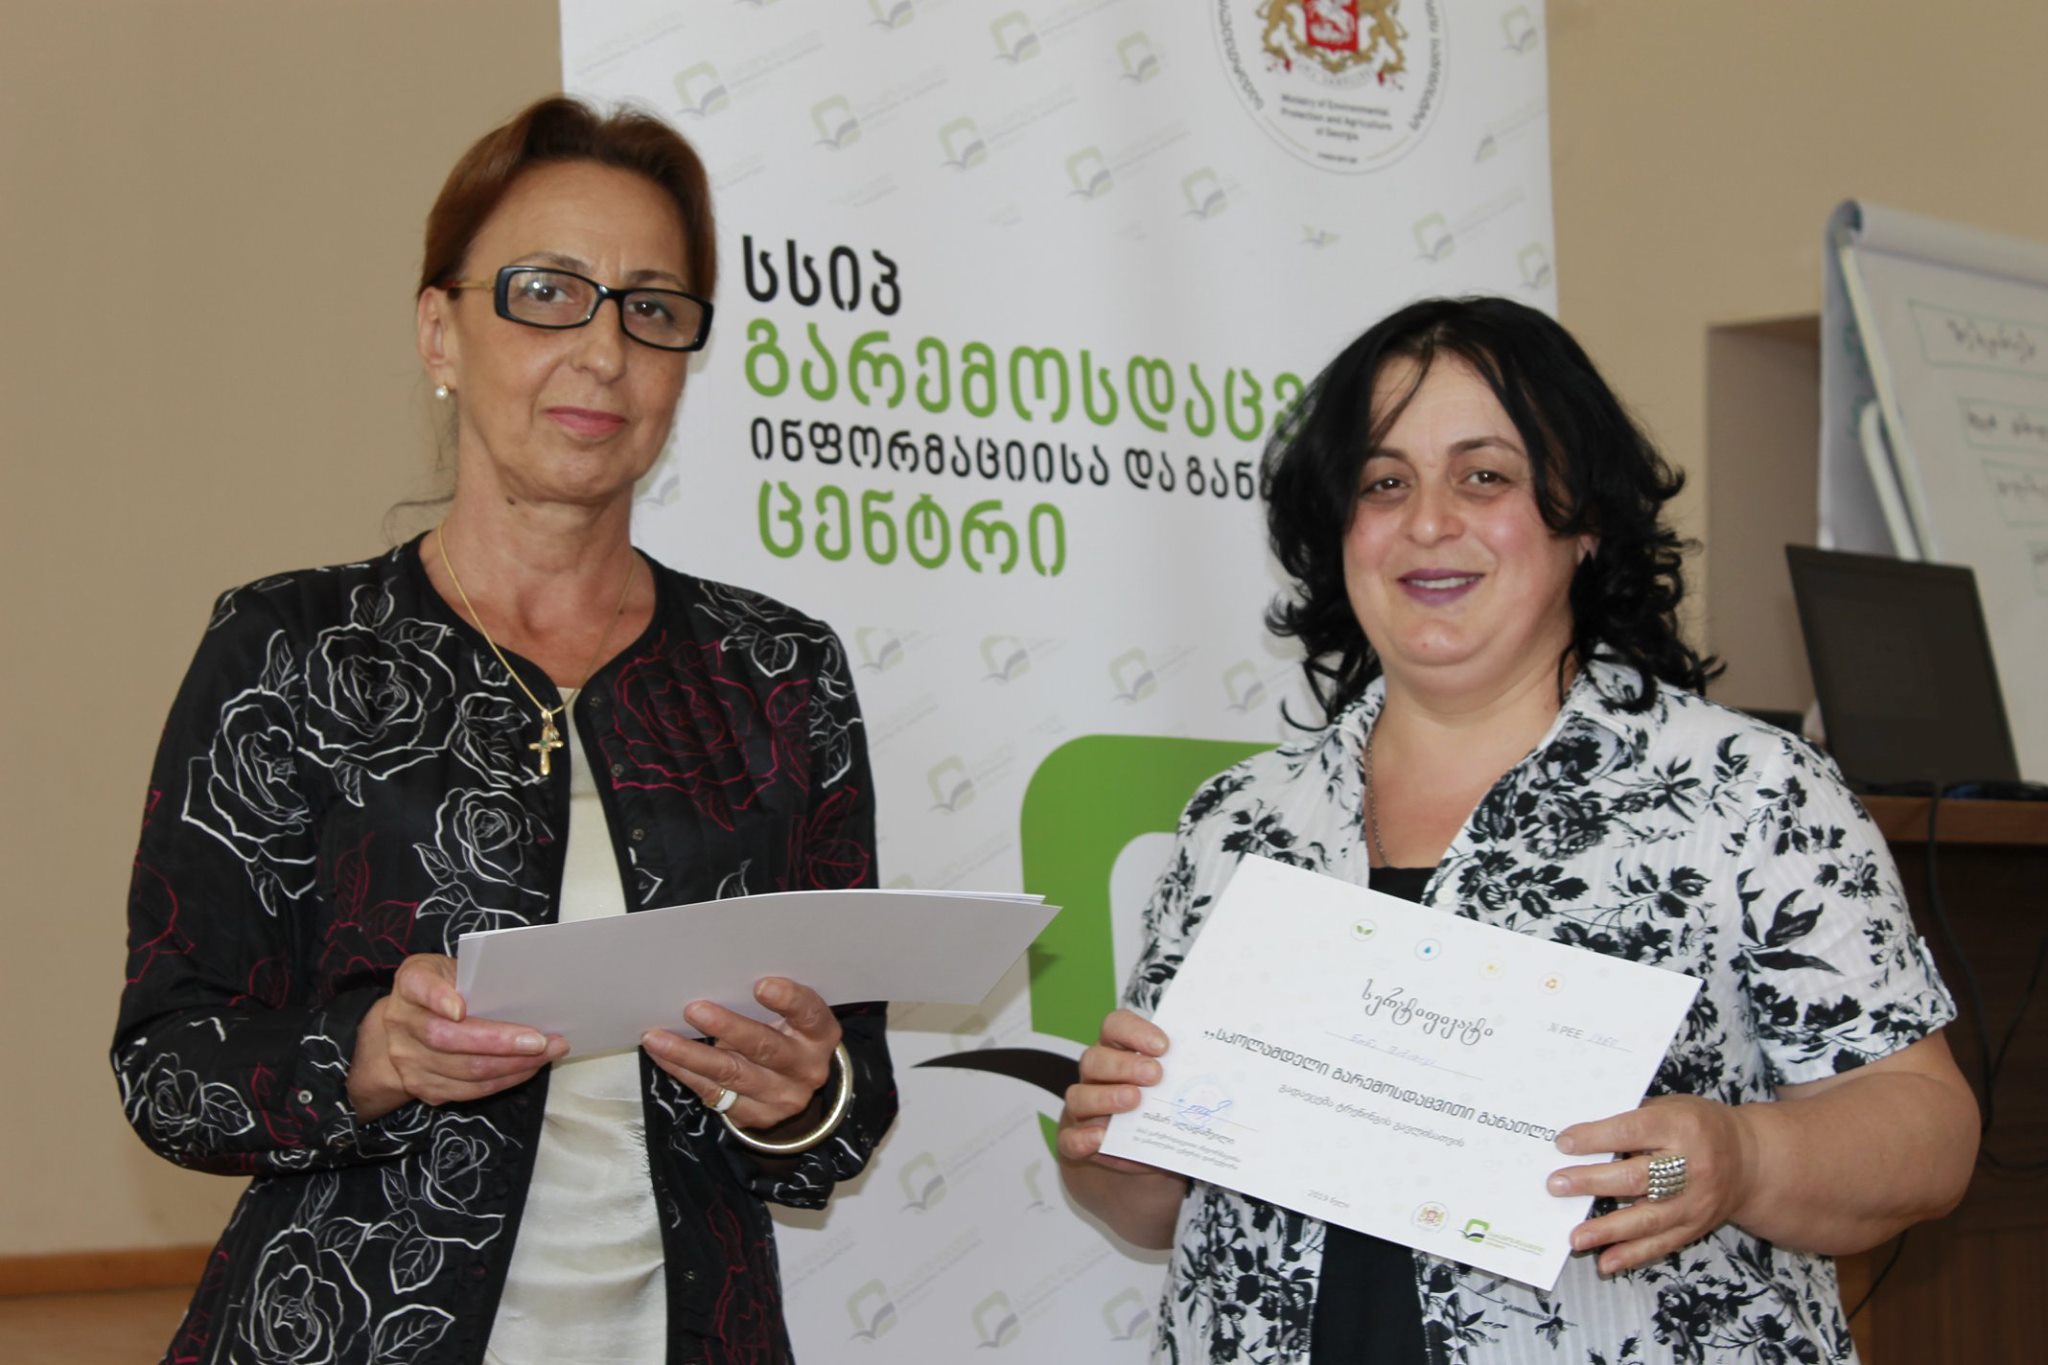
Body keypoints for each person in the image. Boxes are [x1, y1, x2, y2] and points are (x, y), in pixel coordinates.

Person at [112, 96, 894, 1365]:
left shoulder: (776, 672)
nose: (603, 350)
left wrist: (800, 1094)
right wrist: (367, 1056)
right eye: (547, 293)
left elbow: (846, 1102)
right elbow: (168, 1064)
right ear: (440, 328)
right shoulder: (292, 647)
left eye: (651, 308)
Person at [1057, 296, 1979, 1364]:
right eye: (1382, 483)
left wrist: (1742, 1156)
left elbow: (1924, 1129)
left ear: (1582, 520)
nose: (1427, 522)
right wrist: (1115, 1151)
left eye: (1483, 476)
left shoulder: (1747, 793)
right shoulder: (1237, 823)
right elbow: (1154, 1209)